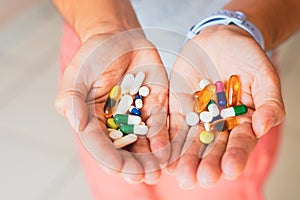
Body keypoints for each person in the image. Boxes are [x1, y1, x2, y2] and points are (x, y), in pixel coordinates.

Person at [52, 0, 300, 199]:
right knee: (117, 187)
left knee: (216, 184)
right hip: (105, 67)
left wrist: (235, 28)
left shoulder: (230, 101)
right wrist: (107, 28)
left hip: (235, 68)